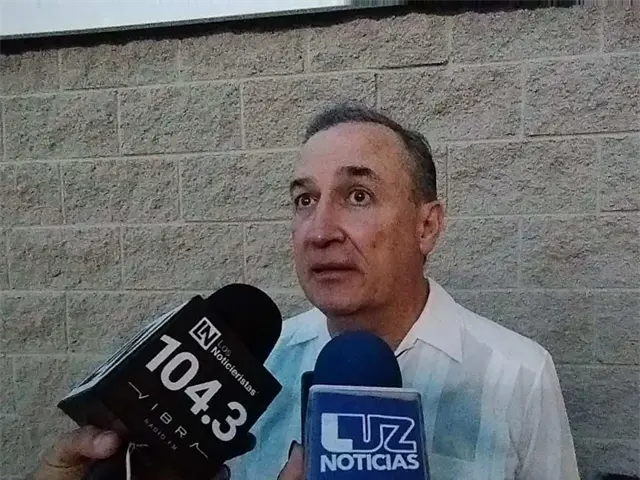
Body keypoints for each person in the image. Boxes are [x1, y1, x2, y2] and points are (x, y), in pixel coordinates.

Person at [28, 104, 579, 480]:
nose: (319, 231)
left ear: (426, 226)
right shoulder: (249, 371)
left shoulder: (517, 375)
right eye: (304, 200)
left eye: (357, 196)